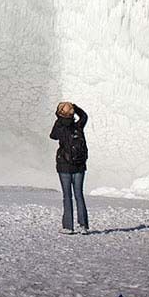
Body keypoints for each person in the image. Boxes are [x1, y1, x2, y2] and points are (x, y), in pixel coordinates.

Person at [50, 100, 89, 234]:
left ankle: (68, 227)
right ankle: (83, 226)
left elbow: (53, 135)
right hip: (79, 166)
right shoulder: (78, 126)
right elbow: (84, 116)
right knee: (79, 194)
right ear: (72, 114)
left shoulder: (60, 127)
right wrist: (75, 107)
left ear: (60, 114)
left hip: (64, 167)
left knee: (67, 196)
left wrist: (59, 116)